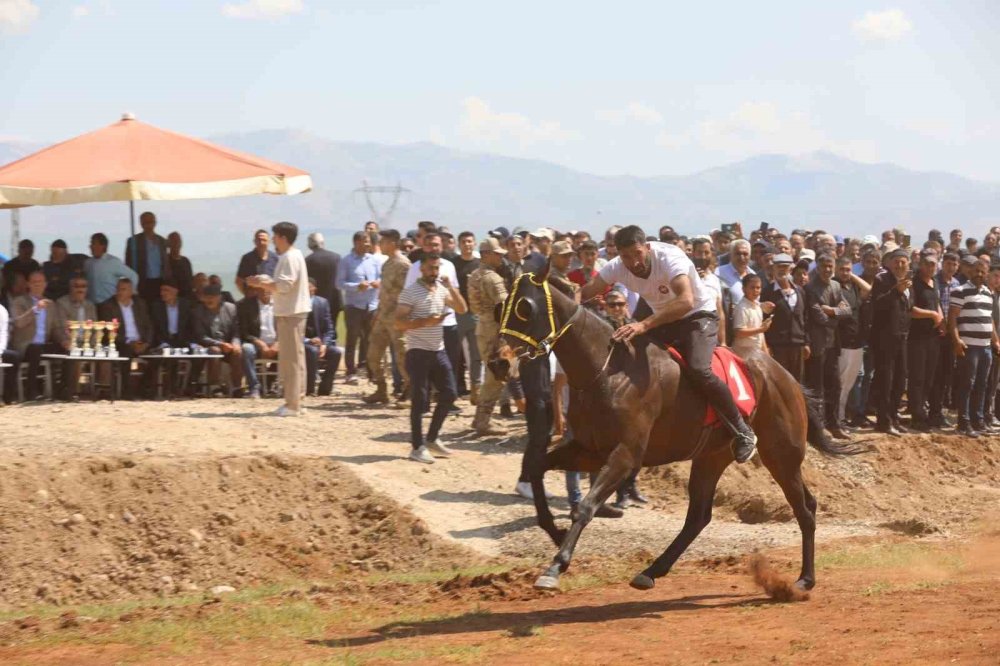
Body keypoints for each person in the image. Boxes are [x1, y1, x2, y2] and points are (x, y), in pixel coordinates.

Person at [583, 225, 757, 463]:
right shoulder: (617, 266)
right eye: (626, 257)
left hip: (698, 316)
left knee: (699, 369)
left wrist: (643, 325)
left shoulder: (668, 257)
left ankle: (742, 430)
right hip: (664, 318)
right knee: (631, 357)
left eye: (637, 254)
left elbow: (685, 301)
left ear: (647, 247)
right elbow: (585, 293)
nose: (633, 262)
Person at [395, 253, 467, 464]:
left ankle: (432, 438)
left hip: (438, 350)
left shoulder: (442, 290)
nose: (434, 272)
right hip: (418, 352)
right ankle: (417, 447)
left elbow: (462, 308)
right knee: (420, 400)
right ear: (422, 269)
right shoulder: (410, 293)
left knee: (450, 394)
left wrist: (451, 287)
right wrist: (425, 322)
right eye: (430, 268)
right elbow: (399, 323)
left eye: (436, 269)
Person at [247, 221, 311, 417]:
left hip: (290, 313)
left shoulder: (290, 257)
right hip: (294, 312)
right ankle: (298, 400)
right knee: (297, 359)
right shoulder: (294, 255)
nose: (273, 240)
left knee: (291, 359)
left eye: (275, 236)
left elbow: (284, 286)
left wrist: (261, 284)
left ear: (283, 237)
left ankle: (292, 404)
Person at [405, 232, 461, 405]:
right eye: (429, 245)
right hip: (426, 323)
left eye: (436, 245)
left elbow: (455, 290)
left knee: (450, 363)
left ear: (441, 246)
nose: (433, 248)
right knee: (425, 364)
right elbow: (409, 294)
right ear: (423, 247)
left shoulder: (449, 266)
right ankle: (424, 401)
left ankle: (446, 400)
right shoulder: (415, 268)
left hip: (448, 321)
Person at [949, 256, 998, 436]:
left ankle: (978, 421)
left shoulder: (987, 293)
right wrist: (956, 341)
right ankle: (964, 422)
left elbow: (989, 319)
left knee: (982, 385)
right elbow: (952, 317)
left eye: (982, 272)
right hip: (969, 346)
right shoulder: (960, 291)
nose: (979, 274)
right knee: (966, 384)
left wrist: (996, 341)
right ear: (970, 272)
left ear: (986, 274)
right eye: (976, 271)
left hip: (985, 347)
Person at [869, 249, 914, 436]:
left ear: (908, 264)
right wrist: (896, 291)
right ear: (889, 263)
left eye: (903, 262)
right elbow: (877, 304)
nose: (900, 265)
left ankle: (894, 417)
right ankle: (883, 421)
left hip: (902, 338)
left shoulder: (910, 284)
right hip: (885, 339)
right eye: (896, 262)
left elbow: (908, 310)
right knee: (885, 381)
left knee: (899, 380)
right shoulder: (882, 280)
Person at [364, 229, 411, 404]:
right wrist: (377, 312)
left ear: (392, 243)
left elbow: (409, 293)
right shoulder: (387, 264)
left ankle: (410, 391)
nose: (379, 245)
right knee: (373, 354)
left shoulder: (404, 265)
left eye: (383, 242)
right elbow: (384, 291)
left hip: (398, 318)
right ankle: (381, 390)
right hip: (383, 315)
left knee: (402, 357)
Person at [10, 271, 63, 400]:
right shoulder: (19, 301)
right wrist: (35, 310)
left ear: (45, 284)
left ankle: (64, 390)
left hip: (44, 345)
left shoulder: (50, 305)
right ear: (28, 284)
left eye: (40, 282)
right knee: (35, 349)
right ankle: (31, 391)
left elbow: (56, 329)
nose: (37, 285)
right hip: (25, 345)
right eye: (34, 282)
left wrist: (65, 340)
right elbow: (19, 323)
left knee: (66, 349)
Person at [907, 251, 945, 431]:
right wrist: (932, 314)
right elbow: (910, 309)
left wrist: (941, 320)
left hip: (933, 337)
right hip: (917, 338)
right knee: (917, 378)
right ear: (921, 264)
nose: (931, 267)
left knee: (929, 378)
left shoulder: (935, 282)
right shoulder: (914, 283)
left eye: (934, 264)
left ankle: (922, 411)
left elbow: (936, 303)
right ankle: (917, 416)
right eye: (928, 264)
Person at [99, 277, 155, 400]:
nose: (119, 292)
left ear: (131, 291)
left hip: (140, 342)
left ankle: (144, 389)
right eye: (118, 289)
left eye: (123, 289)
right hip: (121, 343)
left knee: (156, 358)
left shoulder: (140, 304)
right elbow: (109, 330)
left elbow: (149, 326)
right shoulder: (108, 306)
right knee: (126, 355)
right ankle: (127, 392)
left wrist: (146, 343)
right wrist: (129, 342)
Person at [337, 230, 381, 385]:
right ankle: (351, 372)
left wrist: (378, 283)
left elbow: (382, 277)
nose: (368, 244)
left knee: (370, 341)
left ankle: (372, 372)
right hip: (354, 306)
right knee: (352, 340)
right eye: (365, 241)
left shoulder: (374, 260)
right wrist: (357, 286)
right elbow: (339, 283)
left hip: (372, 306)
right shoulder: (346, 261)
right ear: (356, 243)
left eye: (369, 241)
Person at [833, 256, 871, 429]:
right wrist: (843, 275)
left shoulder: (853, 286)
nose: (845, 273)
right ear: (835, 269)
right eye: (841, 269)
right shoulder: (834, 286)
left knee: (849, 383)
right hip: (842, 342)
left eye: (848, 269)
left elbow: (868, 290)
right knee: (840, 382)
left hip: (857, 341)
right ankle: (837, 418)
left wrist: (852, 276)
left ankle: (841, 417)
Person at [761, 253, 808, 381]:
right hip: (777, 345)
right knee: (779, 381)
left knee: (797, 381)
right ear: (773, 269)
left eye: (785, 266)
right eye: (778, 266)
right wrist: (767, 345)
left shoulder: (800, 291)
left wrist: (806, 342)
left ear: (791, 269)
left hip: (797, 344)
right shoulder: (767, 292)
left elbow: (805, 318)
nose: (782, 270)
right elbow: (762, 320)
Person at [929, 251, 961, 428]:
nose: (951, 267)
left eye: (955, 265)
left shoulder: (957, 285)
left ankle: (938, 411)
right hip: (934, 334)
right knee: (933, 374)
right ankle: (931, 411)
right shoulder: (934, 281)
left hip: (950, 336)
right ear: (943, 264)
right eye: (948, 263)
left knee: (946, 375)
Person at [54, 275, 98, 400]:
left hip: (88, 343)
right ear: (70, 288)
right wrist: (66, 341)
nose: (80, 289)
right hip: (68, 341)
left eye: (83, 286)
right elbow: (60, 327)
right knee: (75, 353)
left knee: (106, 355)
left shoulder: (90, 305)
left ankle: (102, 391)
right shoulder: (62, 303)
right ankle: (72, 392)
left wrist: (94, 344)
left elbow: (95, 328)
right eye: (76, 286)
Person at [149, 278, 195, 398]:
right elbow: (154, 329)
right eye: (161, 290)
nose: (162, 293)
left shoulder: (186, 305)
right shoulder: (156, 306)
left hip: (181, 340)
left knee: (198, 357)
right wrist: (162, 342)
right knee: (167, 357)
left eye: (166, 290)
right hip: (162, 340)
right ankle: (167, 390)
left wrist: (192, 342)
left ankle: (190, 387)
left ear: (175, 291)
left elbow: (190, 326)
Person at [453, 231, 482, 400]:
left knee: (476, 354)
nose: (467, 244)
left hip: (475, 313)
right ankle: (454, 386)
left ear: (475, 244)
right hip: (457, 314)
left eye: (470, 241)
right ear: (459, 244)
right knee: (454, 353)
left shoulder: (480, 265)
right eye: (464, 241)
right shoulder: (453, 264)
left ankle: (476, 387)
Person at [238, 286, 280, 399]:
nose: (265, 291)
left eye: (267, 288)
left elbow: (286, 327)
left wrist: (278, 343)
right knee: (246, 349)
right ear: (257, 290)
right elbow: (244, 332)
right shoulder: (247, 305)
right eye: (262, 289)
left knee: (292, 349)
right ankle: (254, 387)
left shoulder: (280, 304)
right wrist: (260, 343)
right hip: (256, 343)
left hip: (277, 343)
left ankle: (279, 385)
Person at [304, 279, 343, 397]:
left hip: (321, 343)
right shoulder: (295, 303)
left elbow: (329, 328)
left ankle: (325, 388)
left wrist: (325, 344)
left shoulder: (322, 303)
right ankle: (309, 389)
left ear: (314, 289)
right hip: (303, 342)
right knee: (312, 351)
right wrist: (307, 340)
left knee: (336, 352)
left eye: (308, 287)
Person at [125, 211, 170, 302]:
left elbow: (166, 263)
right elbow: (128, 263)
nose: (148, 225)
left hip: (161, 282)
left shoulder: (162, 241)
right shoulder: (134, 241)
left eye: (151, 222)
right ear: (141, 223)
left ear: (155, 223)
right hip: (143, 282)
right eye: (146, 222)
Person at [84, 233, 138, 305]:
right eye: (91, 243)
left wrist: (129, 293)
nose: (90, 246)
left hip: (110, 304)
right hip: (92, 305)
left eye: (93, 243)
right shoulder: (87, 263)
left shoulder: (113, 262)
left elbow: (133, 275)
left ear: (102, 246)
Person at [305, 232, 343, 327]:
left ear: (310, 244)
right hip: (335, 301)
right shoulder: (336, 257)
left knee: (317, 332)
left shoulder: (308, 260)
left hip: (316, 303)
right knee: (332, 331)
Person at [732, 273, 770, 356]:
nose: (755, 291)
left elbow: (760, 334)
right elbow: (738, 332)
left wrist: (766, 354)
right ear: (743, 289)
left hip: (756, 353)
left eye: (758, 288)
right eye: (752, 288)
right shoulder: (742, 308)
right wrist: (761, 329)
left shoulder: (757, 306)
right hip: (743, 354)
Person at [235, 229, 279, 296]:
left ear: (269, 241)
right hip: (253, 302)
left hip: (271, 300)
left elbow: (279, 281)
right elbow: (239, 281)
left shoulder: (275, 258)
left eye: (264, 240)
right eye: (259, 240)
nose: (261, 242)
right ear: (254, 241)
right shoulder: (247, 258)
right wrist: (247, 295)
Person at [1, 239, 41, 303]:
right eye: (25, 253)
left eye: (29, 253)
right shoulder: (10, 266)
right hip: (10, 296)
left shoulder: (35, 265)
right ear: (19, 251)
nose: (27, 255)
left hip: (29, 297)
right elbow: (4, 282)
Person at [716, 239, 755, 305]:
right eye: (738, 254)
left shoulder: (753, 274)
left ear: (750, 256)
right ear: (731, 255)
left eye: (745, 254)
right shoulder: (719, 273)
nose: (741, 257)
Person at [166, 232, 194, 298]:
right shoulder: (165, 261)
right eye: (173, 241)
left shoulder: (186, 261)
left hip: (186, 298)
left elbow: (190, 281)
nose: (176, 243)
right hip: (171, 298)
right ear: (168, 244)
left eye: (178, 241)